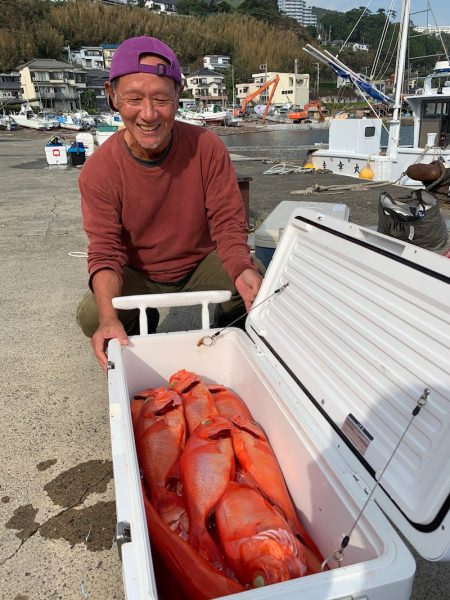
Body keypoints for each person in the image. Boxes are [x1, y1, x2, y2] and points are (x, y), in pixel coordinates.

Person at [77, 36, 263, 372]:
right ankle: (130, 342)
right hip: (140, 271)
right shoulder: (99, 170)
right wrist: (108, 316)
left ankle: (228, 335)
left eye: (162, 99)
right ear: (112, 97)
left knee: (254, 280)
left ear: (178, 97)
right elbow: (105, 250)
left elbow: (227, 223)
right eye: (134, 98)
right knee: (93, 313)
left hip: (198, 264)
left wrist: (241, 267)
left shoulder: (207, 147)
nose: (148, 114)